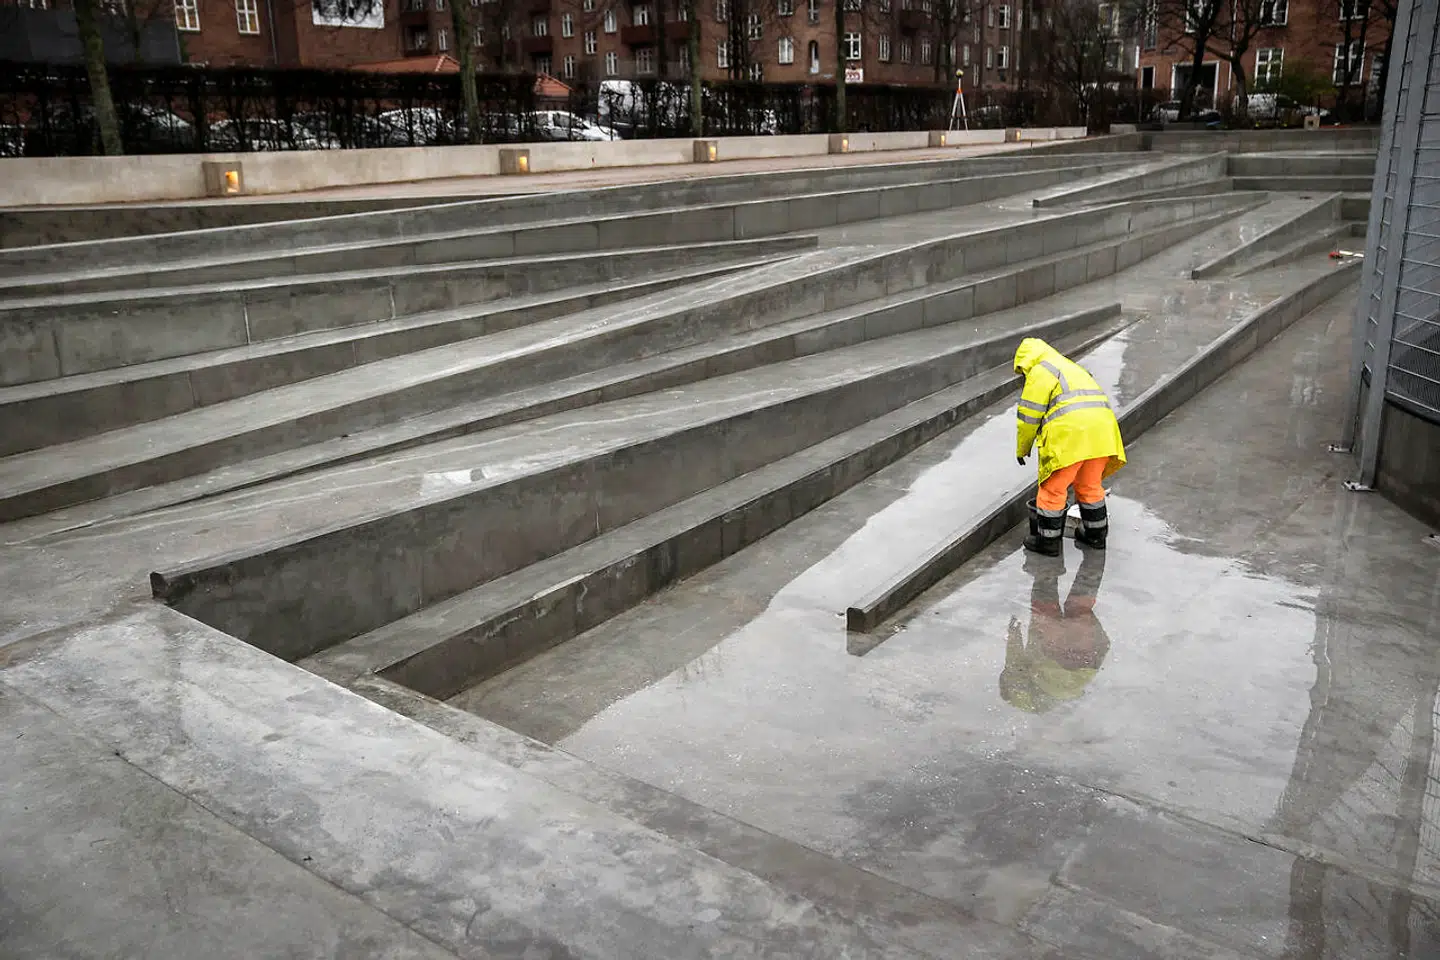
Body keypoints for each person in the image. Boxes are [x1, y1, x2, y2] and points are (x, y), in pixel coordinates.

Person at [1012, 337, 1126, 556]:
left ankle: (1048, 543)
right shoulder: (1070, 367)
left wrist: (1022, 448)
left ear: (1026, 361)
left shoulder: (1040, 371)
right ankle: (1095, 536)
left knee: (1052, 489)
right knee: (1089, 485)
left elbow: (1028, 416)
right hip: (1103, 433)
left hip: (1071, 436)